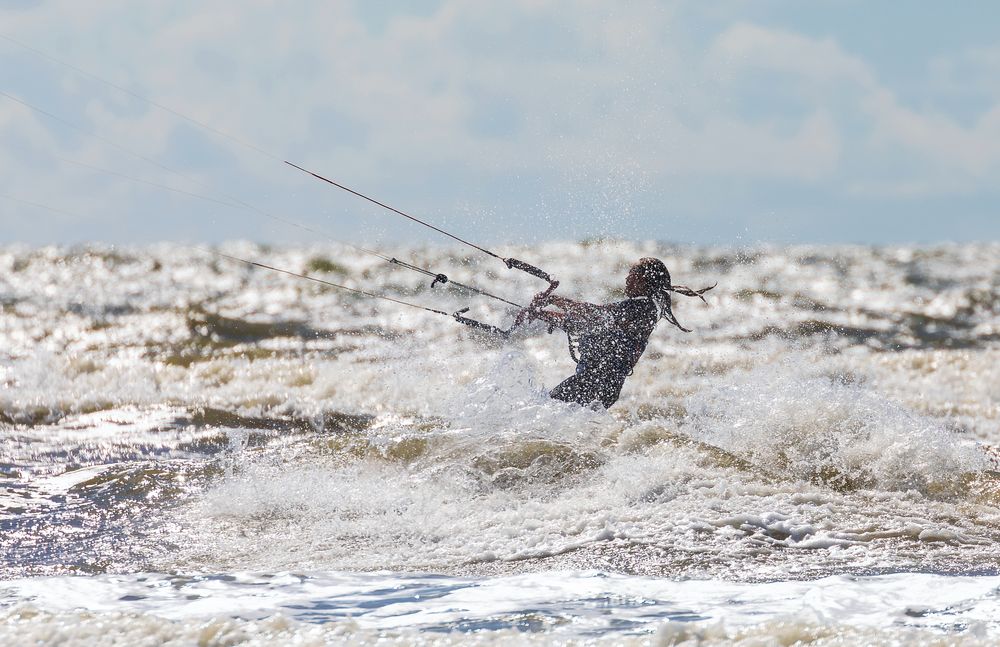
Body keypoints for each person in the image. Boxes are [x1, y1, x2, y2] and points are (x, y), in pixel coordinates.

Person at [521, 257, 714, 409]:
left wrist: (553, 300)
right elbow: (581, 322)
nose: (627, 278)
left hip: (596, 382)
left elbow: (597, 313)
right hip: (598, 383)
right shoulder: (638, 309)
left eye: (631, 273)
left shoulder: (643, 309)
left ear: (643, 279)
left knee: (543, 414)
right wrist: (540, 314)